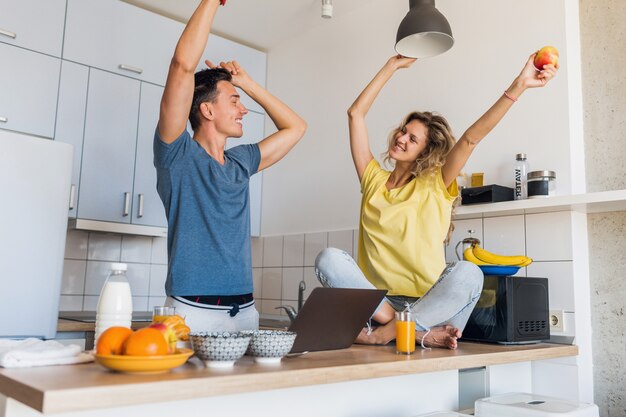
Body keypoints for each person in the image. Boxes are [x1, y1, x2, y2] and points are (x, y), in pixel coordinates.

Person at [315, 53, 558, 349]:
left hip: (432, 306)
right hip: (379, 307)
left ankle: (392, 332)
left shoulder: (437, 183)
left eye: (412, 139)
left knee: (469, 272)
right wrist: (391, 66)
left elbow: (470, 139)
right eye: (403, 131)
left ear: (425, 152)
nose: (401, 138)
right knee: (327, 259)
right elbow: (355, 113)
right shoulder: (373, 180)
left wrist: (519, 85)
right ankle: (404, 329)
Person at [155, 0, 306, 332]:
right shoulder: (177, 155)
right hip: (190, 313)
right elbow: (182, 64)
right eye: (234, 101)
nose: (244, 110)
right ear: (207, 111)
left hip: (245, 312)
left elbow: (296, 128)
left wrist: (246, 84)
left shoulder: (241, 162)